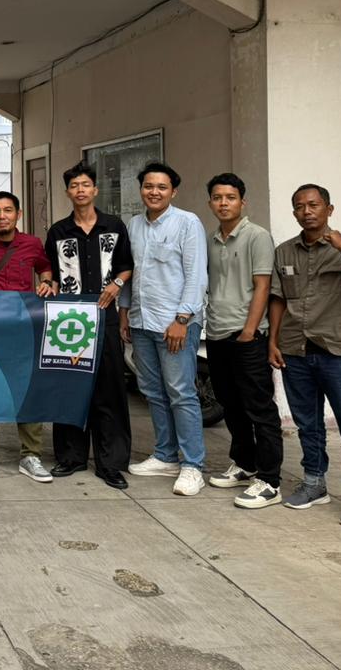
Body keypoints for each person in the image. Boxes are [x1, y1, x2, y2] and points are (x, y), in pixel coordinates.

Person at [269, 184, 341, 528]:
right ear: (294, 212)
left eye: (314, 205)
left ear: (329, 209)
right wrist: (272, 342)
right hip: (295, 350)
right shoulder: (284, 251)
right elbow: (278, 299)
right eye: (299, 206)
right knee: (308, 425)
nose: (306, 211)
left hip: (337, 352)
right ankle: (314, 484)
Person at [119, 161, 208, 496]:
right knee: (153, 392)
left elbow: (196, 275)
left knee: (181, 393)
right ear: (141, 189)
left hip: (175, 324)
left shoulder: (187, 223)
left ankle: (193, 465)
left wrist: (182, 319)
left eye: (161, 187)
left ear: (174, 192)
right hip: (142, 322)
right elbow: (130, 272)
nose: (154, 192)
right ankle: (165, 455)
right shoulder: (134, 225)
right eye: (148, 186)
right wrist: (125, 313)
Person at [45, 160, 134, 489]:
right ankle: (71, 457)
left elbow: (126, 265)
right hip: (69, 321)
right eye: (74, 186)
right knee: (70, 388)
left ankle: (111, 463)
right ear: (67, 192)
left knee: (109, 391)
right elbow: (50, 273)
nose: (80, 190)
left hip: (104, 317)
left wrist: (117, 285)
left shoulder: (114, 226)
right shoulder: (58, 231)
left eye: (85, 185)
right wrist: (48, 284)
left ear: (95, 190)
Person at [203, 173, 283, 509]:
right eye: (218, 197)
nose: (224, 203)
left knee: (259, 408)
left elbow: (263, 285)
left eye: (230, 197)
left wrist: (250, 331)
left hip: (246, 336)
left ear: (242, 201)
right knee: (231, 404)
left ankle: (270, 480)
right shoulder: (211, 239)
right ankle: (245, 463)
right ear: (211, 202)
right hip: (217, 334)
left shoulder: (257, 236)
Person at [0, 191, 55, 484]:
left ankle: (31, 455)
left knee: (27, 388)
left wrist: (46, 282)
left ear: (18, 214)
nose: (2, 216)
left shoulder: (32, 243)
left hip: (23, 326)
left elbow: (44, 267)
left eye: (8, 210)